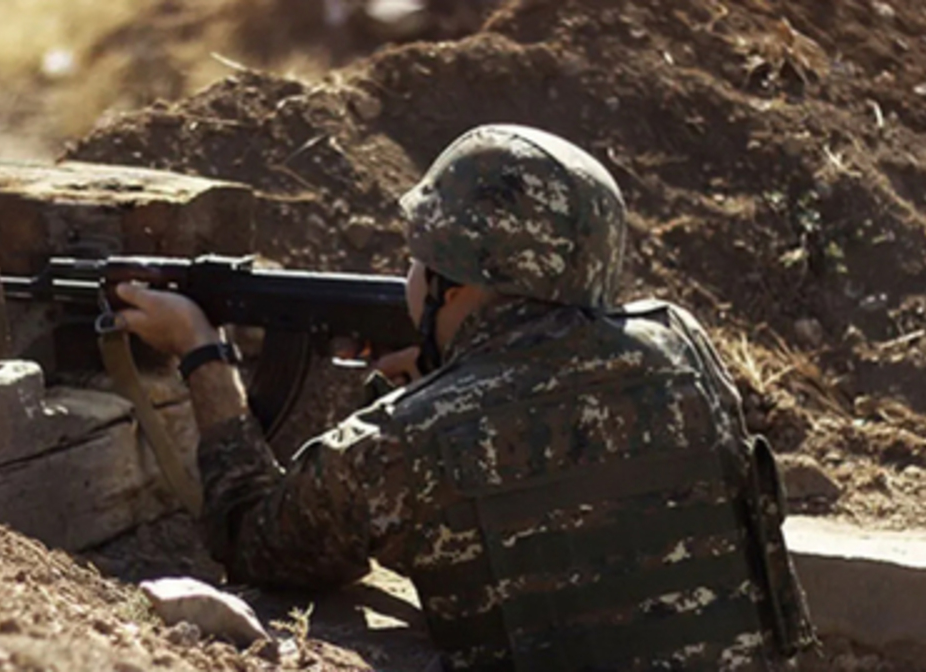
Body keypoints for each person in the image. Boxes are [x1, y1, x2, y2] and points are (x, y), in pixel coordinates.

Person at [115, 124, 816, 671]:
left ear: (455, 277)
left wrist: (203, 353)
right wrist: (450, 375)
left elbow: (251, 538)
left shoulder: (403, 443)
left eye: (418, 254)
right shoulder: (685, 347)